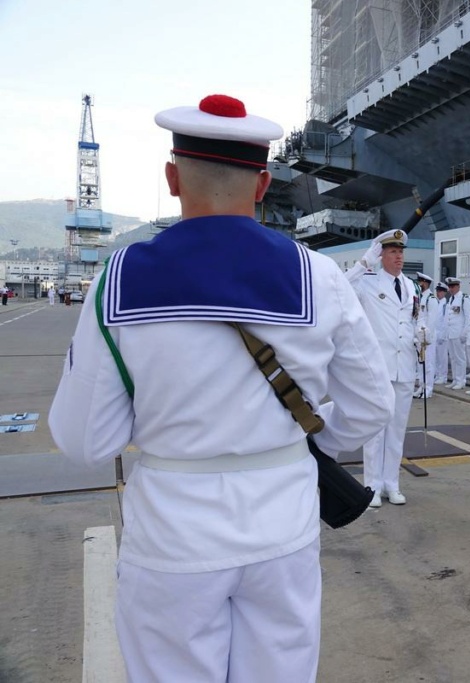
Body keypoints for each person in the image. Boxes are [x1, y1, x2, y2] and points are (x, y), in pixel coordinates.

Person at [48, 94, 394, 683]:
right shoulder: (321, 275)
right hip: (283, 524)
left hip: (172, 534)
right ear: (262, 185)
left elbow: (86, 440)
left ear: (172, 177)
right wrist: (292, 445)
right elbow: (371, 406)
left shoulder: (120, 280)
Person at [345, 230, 420, 507]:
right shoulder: (367, 282)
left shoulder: (411, 286)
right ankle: (372, 485)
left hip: (405, 367)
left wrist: (422, 333)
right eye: (392, 252)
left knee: (397, 430)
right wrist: (364, 263)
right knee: (376, 429)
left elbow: (413, 319)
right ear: (381, 255)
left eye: (401, 252)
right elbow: (339, 287)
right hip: (378, 368)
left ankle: (392, 483)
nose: (399, 256)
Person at [413, 272, 437, 399]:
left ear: (426, 283)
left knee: (428, 364)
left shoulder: (431, 299)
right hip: (419, 337)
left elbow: (432, 321)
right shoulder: (420, 297)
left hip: (427, 339)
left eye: (420, 282)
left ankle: (428, 389)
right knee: (420, 364)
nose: (419, 284)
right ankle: (421, 387)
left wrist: (426, 338)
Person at [443, 276, 468, 390]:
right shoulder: (451, 299)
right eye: (449, 287)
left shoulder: (464, 298)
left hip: (458, 333)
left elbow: (468, 317)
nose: (451, 289)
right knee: (452, 358)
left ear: (458, 286)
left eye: (453, 286)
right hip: (450, 333)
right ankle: (455, 379)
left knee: (460, 358)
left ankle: (461, 380)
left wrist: (464, 333)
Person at [433, 280, 449, 385]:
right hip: (436, 334)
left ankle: (443, 376)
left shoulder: (445, 305)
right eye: (437, 291)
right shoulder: (437, 303)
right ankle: (438, 374)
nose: (438, 293)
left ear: (444, 292)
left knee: (442, 357)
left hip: (442, 335)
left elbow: (446, 321)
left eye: (440, 291)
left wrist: (442, 335)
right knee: (436, 357)